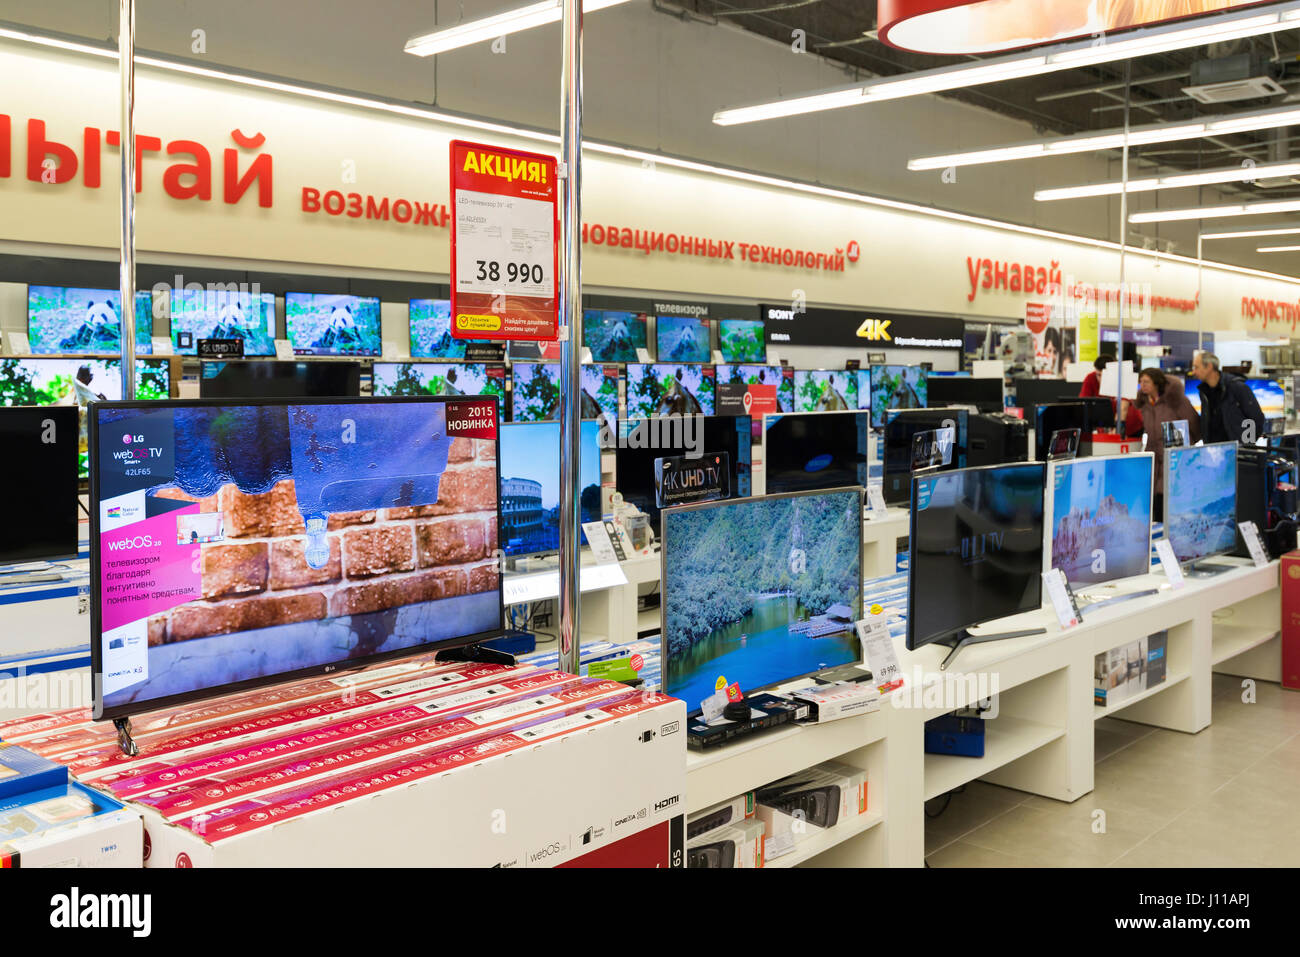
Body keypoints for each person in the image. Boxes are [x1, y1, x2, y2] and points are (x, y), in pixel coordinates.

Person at [1133, 367, 1200, 517]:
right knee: (1154, 500)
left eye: (1146, 381)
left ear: (1156, 383)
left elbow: (1194, 423)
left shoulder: (1176, 401)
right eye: (1141, 382)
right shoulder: (1143, 404)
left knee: (1171, 499)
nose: (1142, 385)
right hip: (1153, 459)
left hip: (1174, 458)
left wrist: (1187, 446)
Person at [1189, 351, 1266, 445]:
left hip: (1238, 453)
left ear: (1209, 367)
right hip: (1214, 452)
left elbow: (1256, 419)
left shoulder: (1237, 387)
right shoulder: (1204, 392)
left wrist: (1246, 446)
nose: (1194, 372)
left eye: (1196, 367)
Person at [1079, 354, 1143, 437]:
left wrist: (1117, 430)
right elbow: (1083, 403)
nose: (1101, 379)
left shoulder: (1124, 377)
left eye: (1104, 375)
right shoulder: (1091, 378)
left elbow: (1123, 409)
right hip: (1106, 427)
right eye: (1098, 375)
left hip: (1131, 426)